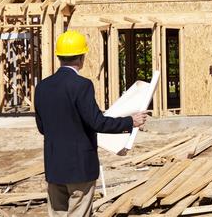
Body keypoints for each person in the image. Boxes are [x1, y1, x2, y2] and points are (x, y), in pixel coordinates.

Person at [34, 30, 149, 216]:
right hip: (80, 167)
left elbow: (42, 127)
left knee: (57, 213)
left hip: (55, 166)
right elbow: (97, 122)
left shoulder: (42, 87)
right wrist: (130, 121)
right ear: (81, 58)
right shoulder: (82, 85)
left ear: (59, 57)